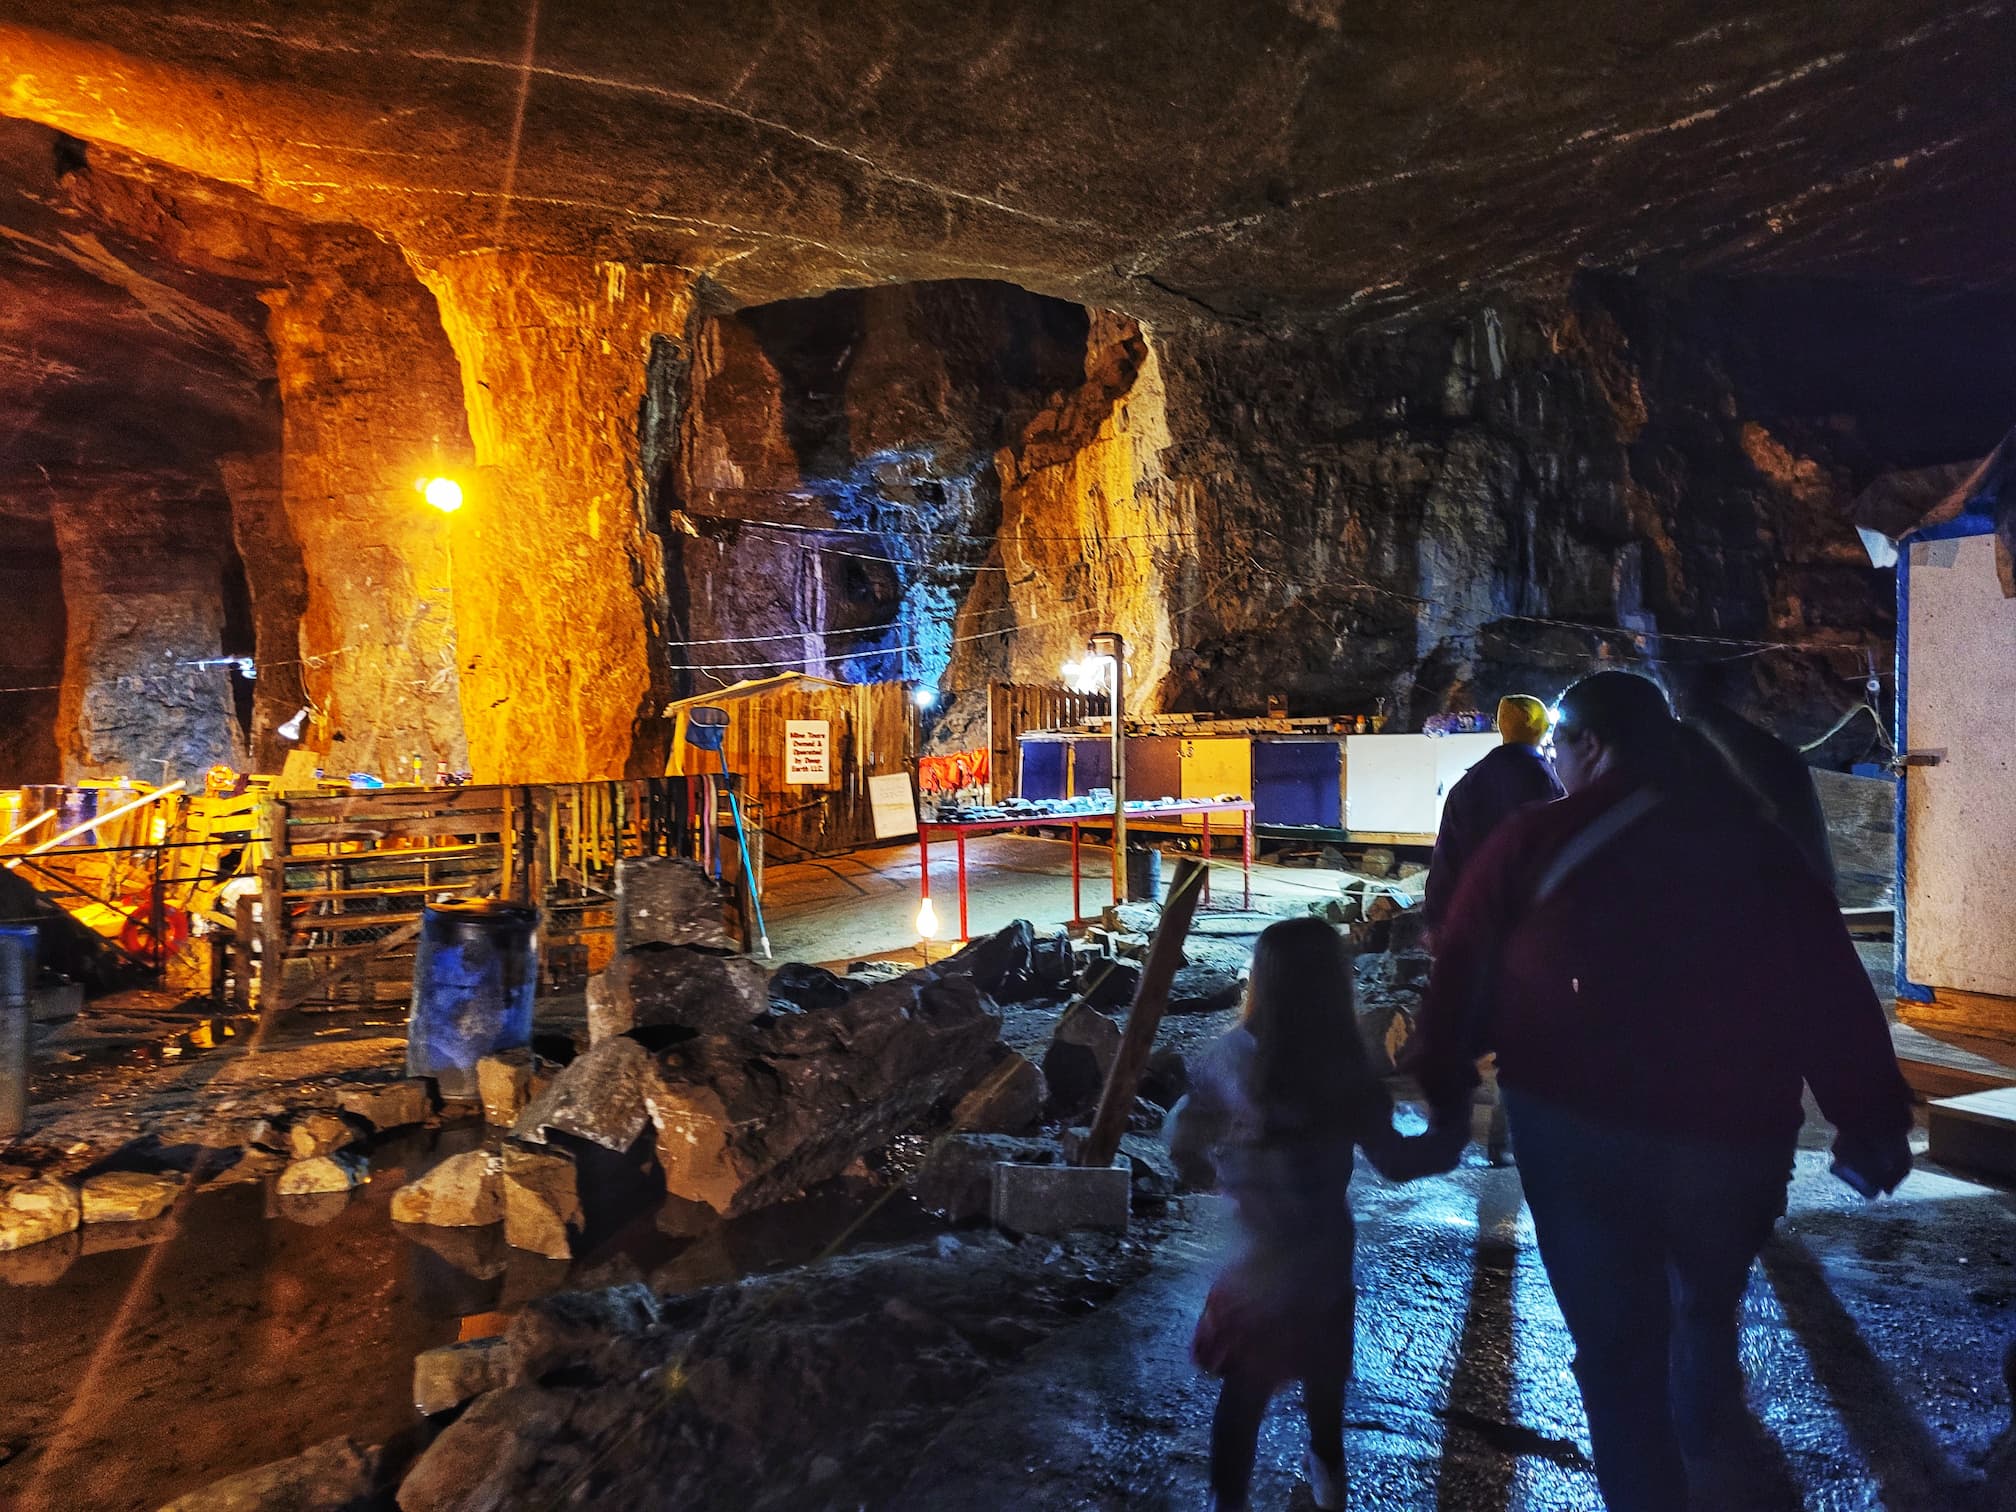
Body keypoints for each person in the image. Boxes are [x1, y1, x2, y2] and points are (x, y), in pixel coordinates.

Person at [1403, 670, 1913, 1511]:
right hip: (1734, 1135)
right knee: (1706, 1304)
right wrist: (1869, 1118)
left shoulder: (1533, 842)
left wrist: (1444, 1099)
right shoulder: (1753, 842)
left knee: (1615, 1354)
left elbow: (1460, 974)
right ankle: (1711, 1443)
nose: (1557, 764)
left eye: (1562, 747)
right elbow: (1827, 981)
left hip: (1578, 1137)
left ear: (1591, 745)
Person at [1171, 917, 1461, 1512]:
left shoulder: (1227, 1058)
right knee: (1325, 1391)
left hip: (1252, 1263)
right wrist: (1450, 1123)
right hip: (1324, 1262)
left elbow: (1181, 1137)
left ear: (1263, 981)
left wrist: (1209, 1169)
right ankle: (1329, 1488)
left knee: (1243, 1396)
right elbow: (1399, 1163)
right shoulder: (1345, 1071)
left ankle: (1230, 1503)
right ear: (1335, 987)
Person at [1422, 694, 1565, 945]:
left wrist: (1435, 920)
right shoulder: (1550, 782)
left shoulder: (1468, 783)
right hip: (1533, 923)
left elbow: (1446, 857)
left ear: (1501, 726)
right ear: (1539, 727)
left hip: (1475, 917)